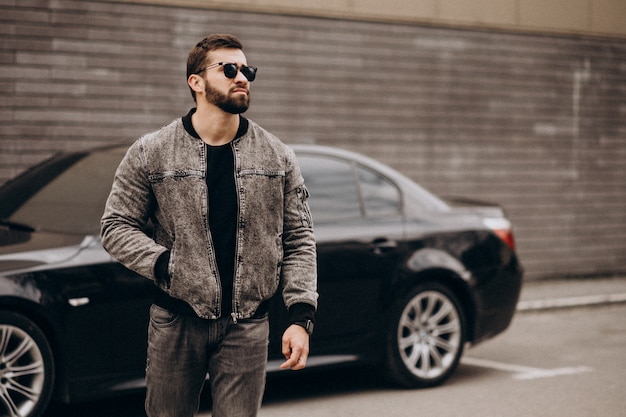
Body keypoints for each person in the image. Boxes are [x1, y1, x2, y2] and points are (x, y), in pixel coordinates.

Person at [100, 33, 318, 417]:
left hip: (248, 326)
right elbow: (116, 226)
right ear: (195, 82)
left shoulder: (277, 155)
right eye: (229, 69)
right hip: (176, 320)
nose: (242, 78)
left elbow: (299, 239)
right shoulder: (151, 152)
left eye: (247, 70)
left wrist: (300, 317)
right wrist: (167, 264)